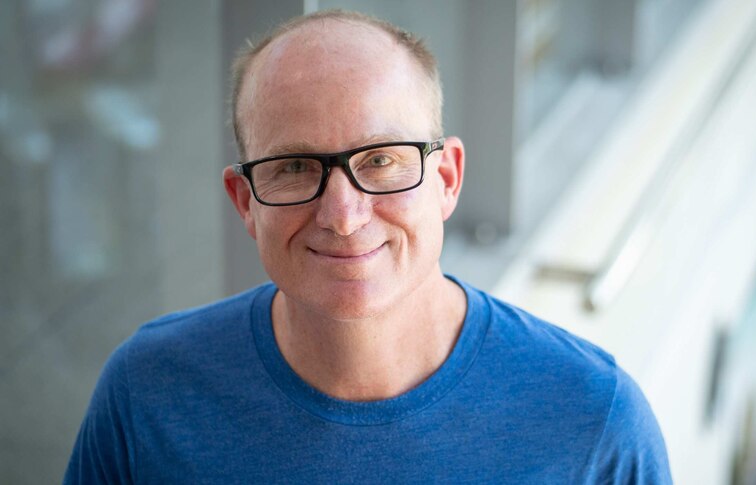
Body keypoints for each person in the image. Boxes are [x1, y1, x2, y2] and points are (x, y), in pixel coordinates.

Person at [65, 9, 671, 484]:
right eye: (296, 166)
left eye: (380, 160)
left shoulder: (594, 421)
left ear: (448, 179)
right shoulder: (150, 394)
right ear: (245, 201)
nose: (344, 217)